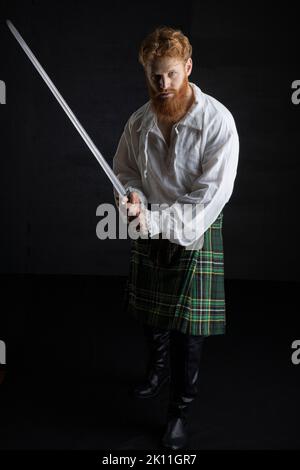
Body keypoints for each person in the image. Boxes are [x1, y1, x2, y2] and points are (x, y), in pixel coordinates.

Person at [113, 26, 239, 450]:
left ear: (187, 68)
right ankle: (157, 369)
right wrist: (130, 194)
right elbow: (125, 170)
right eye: (153, 76)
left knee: (189, 331)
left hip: (194, 228)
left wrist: (155, 221)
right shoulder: (139, 121)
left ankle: (179, 411)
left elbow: (209, 198)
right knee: (151, 314)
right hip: (150, 222)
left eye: (169, 74)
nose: (161, 85)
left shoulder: (217, 121)